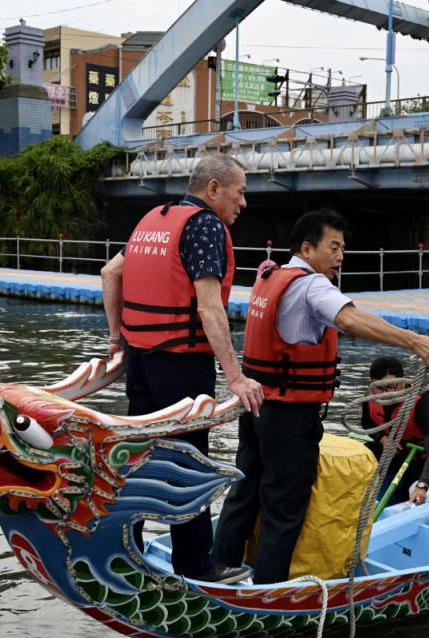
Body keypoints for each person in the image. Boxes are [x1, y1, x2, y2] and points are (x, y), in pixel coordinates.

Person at [213, 208, 429, 584]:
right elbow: (349, 319)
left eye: (343, 249)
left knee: (246, 487)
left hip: (256, 405)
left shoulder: (269, 274)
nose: (341, 257)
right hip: (290, 415)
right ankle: (270, 590)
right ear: (307, 249)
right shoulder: (312, 285)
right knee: (285, 504)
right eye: (334, 247)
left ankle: (220, 565)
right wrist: (415, 340)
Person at [100, 152, 263, 584]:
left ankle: (124, 547)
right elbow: (209, 308)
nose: (243, 203)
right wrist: (235, 376)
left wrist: (117, 339)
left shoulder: (152, 218)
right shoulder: (205, 225)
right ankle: (195, 565)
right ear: (214, 189)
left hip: (141, 361)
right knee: (189, 461)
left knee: (138, 456)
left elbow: (109, 273)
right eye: (240, 192)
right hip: (182, 362)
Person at [362, 356, 429, 504]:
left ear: (403, 380)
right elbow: (367, 424)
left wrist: (422, 485)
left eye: (390, 386)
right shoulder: (371, 395)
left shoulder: (422, 402)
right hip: (391, 452)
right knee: (358, 459)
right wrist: (383, 439)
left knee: (422, 499)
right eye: (379, 387)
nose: (384, 393)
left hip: (419, 459)